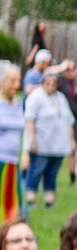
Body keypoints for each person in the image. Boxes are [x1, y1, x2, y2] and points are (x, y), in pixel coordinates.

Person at [21, 66, 73, 214]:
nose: (50, 86)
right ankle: (30, 198)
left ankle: (49, 200)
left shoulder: (60, 98)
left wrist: (71, 139)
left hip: (58, 145)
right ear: (43, 83)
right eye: (47, 83)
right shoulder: (36, 96)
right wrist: (31, 140)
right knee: (36, 170)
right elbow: (29, 120)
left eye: (53, 83)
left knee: (52, 173)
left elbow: (69, 119)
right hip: (41, 143)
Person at [0, 64, 23, 222]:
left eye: (19, 81)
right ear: (1, 82)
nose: (17, 85)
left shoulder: (19, 103)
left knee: (12, 203)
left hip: (12, 161)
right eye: (12, 80)